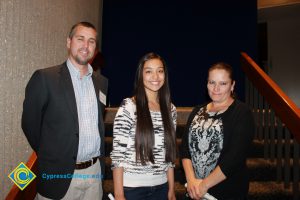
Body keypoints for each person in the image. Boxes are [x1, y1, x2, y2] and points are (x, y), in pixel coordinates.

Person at [22, 22, 108, 200]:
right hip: (59, 175)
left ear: (95, 48)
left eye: (91, 41)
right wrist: (52, 153)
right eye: (80, 39)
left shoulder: (102, 83)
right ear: (69, 42)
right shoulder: (45, 78)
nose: (86, 46)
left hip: (93, 174)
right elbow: (30, 125)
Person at [180, 62, 255, 200]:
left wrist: (203, 186)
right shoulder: (197, 110)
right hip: (194, 190)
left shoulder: (242, 113)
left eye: (223, 83)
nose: (216, 88)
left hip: (226, 191)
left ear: (232, 85)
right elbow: (185, 148)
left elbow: (234, 158)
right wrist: (191, 181)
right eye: (212, 82)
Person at [110, 52, 177, 200]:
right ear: (141, 75)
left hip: (162, 187)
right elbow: (117, 155)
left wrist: (171, 190)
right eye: (149, 71)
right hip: (132, 190)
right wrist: (119, 194)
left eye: (160, 71)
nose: (155, 76)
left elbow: (169, 156)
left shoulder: (170, 109)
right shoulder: (129, 106)